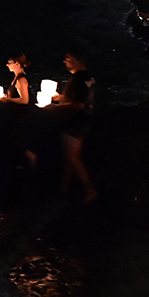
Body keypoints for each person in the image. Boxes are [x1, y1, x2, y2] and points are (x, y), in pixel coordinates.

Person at [52, 48, 97, 202]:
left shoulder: (78, 78)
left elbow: (79, 104)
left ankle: (90, 190)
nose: (65, 61)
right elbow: (81, 98)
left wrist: (55, 107)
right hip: (84, 121)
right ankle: (64, 190)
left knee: (72, 158)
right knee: (69, 158)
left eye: (68, 59)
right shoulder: (88, 77)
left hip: (74, 123)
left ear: (76, 60)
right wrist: (61, 97)